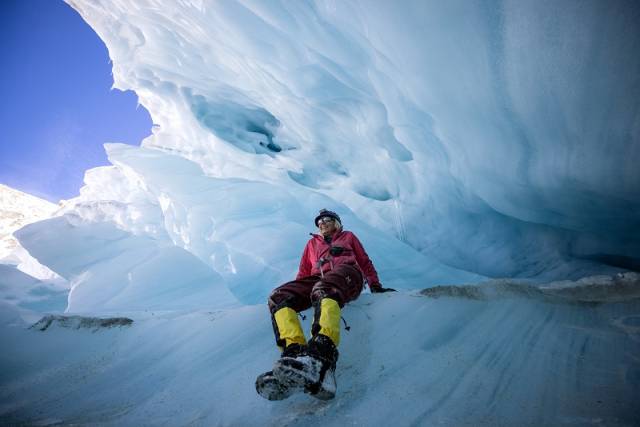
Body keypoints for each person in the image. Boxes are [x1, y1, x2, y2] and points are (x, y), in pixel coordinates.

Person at [256, 209, 395, 401]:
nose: (322, 223)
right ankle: (294, 354)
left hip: (348, 275)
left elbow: (364, 261)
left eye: (327, 219)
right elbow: (304, 272)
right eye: (319, 221)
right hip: (317, 279)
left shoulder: (348, 237)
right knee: (279, 297)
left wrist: (375, 284)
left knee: (324, 288)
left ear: (337, 223)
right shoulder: (312, 244)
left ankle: (321, 356)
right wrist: (298, 295)